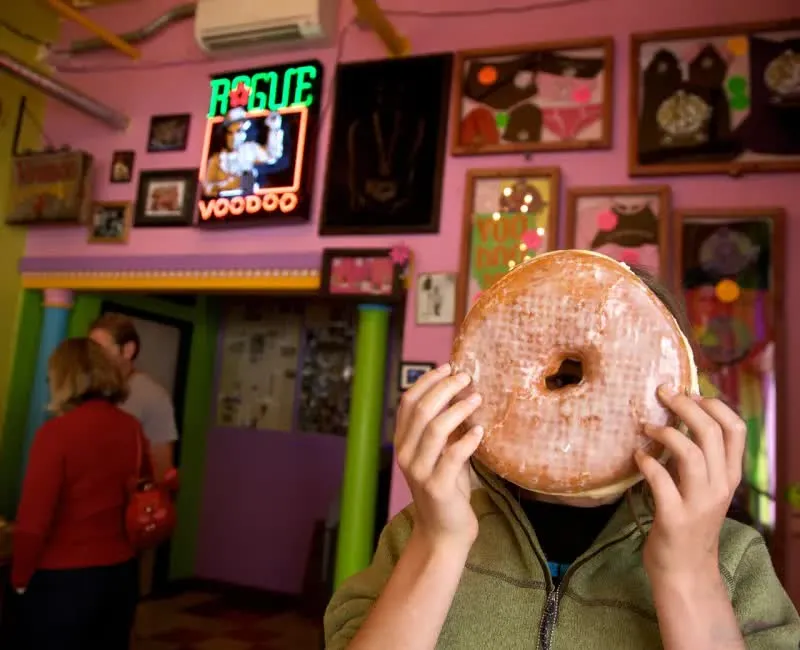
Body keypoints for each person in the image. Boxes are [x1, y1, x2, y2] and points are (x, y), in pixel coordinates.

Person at [324, 268, 799, 649]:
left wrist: (689, 572)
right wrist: (438, 545)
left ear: (685, 395)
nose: (575, 414)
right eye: (563, 377)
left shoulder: (734, 560)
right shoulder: (418, 531)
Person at [12, 337, 150, 650]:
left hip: (64, 580)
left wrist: (20, 579)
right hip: (121, 574)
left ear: (63, 379)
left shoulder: (55, 433)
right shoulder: (132, 429)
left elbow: (34, 521)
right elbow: (142, 489)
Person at [89, 313, 177, 482]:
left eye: (101, 350)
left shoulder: (154, 397)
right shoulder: (87, 388)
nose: (93, 359)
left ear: (128, 350)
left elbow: (161, 469)